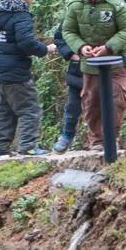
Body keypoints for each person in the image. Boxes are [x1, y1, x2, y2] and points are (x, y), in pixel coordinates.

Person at [59, 0, 126, 147]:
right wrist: (80, 47)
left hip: (116, 62)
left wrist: (109, 47)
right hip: (90, 64)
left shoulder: (116, 3)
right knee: (91, 102)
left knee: (118, 98)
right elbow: (67, 31)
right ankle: (97, 141)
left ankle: (112, 139)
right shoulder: (75, 5)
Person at [0, 0, 57, 156]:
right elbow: (26, 42)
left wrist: (1, 44)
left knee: (4, 111)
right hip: (16, 73)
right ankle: (28, 146)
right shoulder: (21, 15)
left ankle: (0, 148)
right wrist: (46, 49)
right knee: (29, 108)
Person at [49, 21, 83, 155]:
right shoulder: (75, 8)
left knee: (104, 104)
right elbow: (59, 37)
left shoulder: (114, 6)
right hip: (78, 69)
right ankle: (66, 136)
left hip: (104, 66)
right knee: (73, 106)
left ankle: (104, 139)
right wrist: (72, 54)